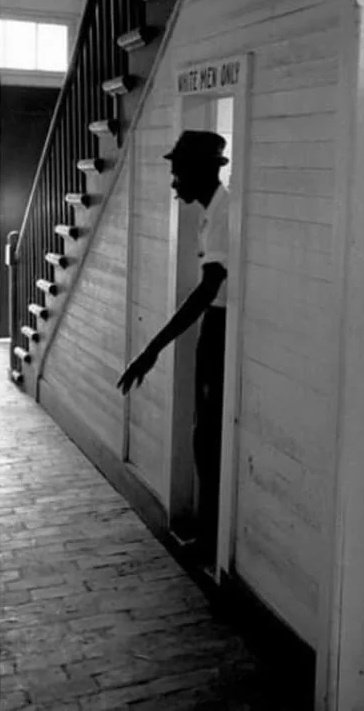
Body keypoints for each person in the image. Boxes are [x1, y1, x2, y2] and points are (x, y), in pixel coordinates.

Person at [117, 129, 229, 567]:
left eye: (178, 171)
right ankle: (208, 534)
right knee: (204, 436)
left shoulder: (224, 213)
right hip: (212, 328)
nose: (174, 181)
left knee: (211, 438)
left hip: (220, 328)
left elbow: (207, 290)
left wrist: (154, 348)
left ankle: (212, 540)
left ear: (202, 171)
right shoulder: (212, 211)